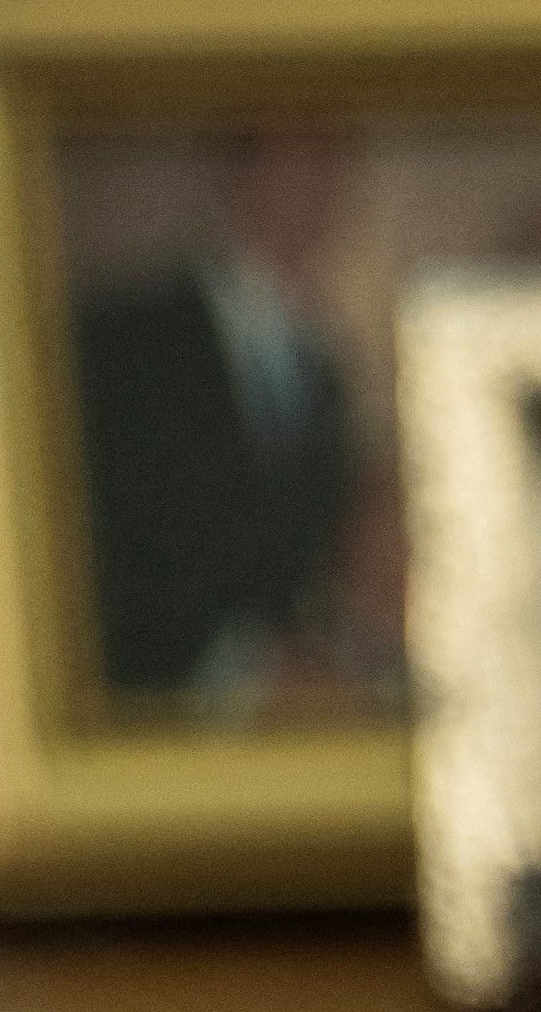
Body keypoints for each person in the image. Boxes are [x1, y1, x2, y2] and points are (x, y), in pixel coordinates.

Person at [69, 133, 372, 713]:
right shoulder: (130, 339)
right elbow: (106, 535)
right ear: (240, 179)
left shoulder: (323, 370)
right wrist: (234, 668)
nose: (316, 199)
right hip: (150, 708)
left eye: (331, 173)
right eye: (296, 170)